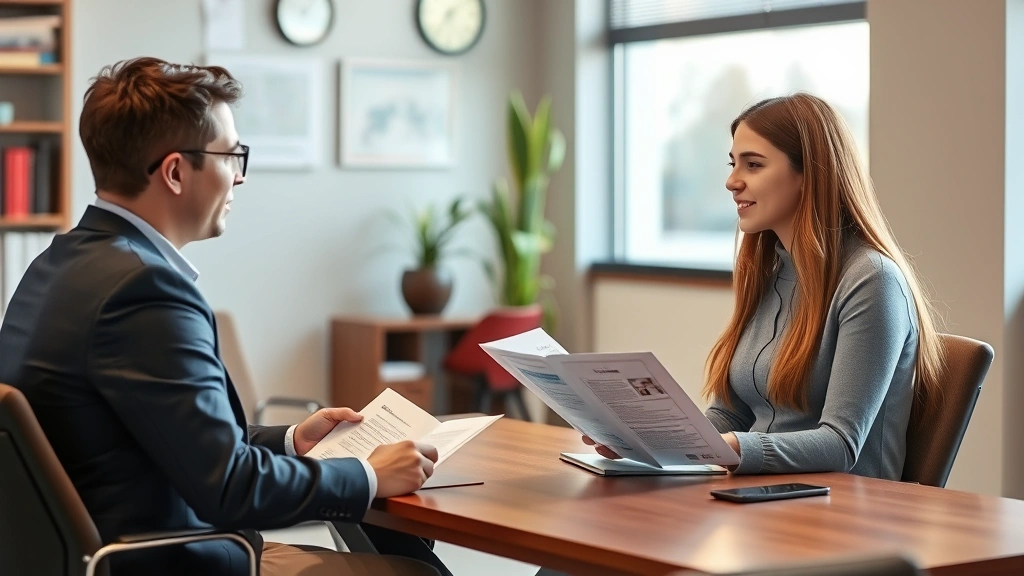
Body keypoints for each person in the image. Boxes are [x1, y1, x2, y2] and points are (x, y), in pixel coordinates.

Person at [0, 57, 450, 576]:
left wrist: (290, 439)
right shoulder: (143, 290)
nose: (238, 177)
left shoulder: (58, 265)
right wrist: (368, 475)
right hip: (175, 560)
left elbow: (164, 433)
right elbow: (233, 490)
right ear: (174, 172)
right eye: (231, 155)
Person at [585, 93, 944, 480]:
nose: (731, 181)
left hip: (844, 510)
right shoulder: (771, 272)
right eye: (733, 163)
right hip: (766, 494)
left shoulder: (871, 280)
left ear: (809, 175)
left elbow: (841, 444)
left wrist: (732, 448)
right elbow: (731, 413)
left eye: (753, 165)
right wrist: (653, 441)